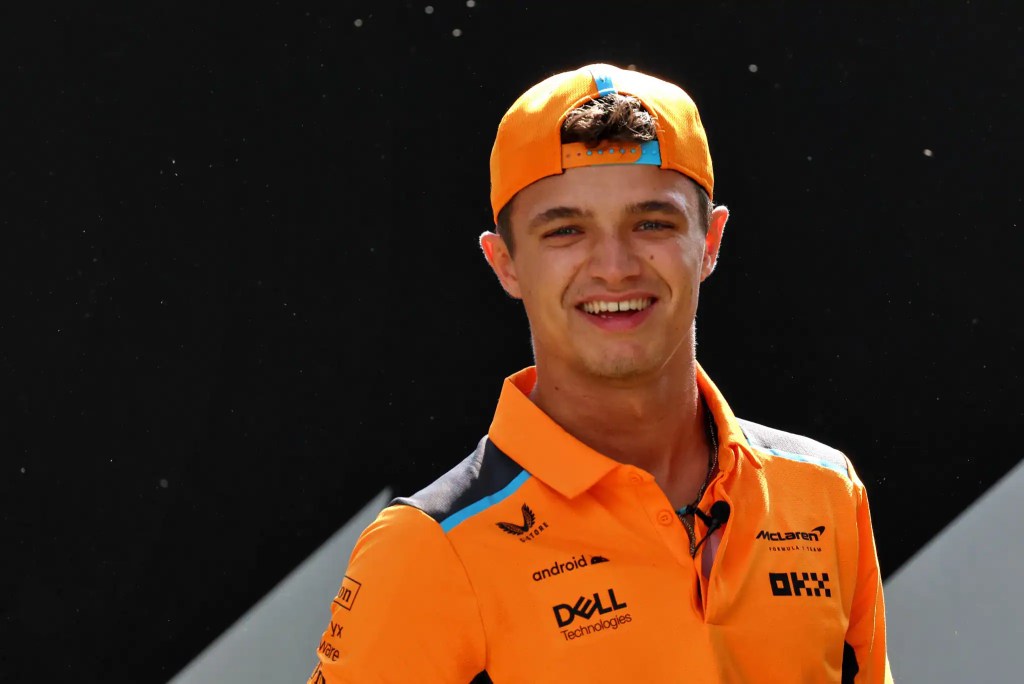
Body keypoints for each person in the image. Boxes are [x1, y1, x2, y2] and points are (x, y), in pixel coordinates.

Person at [307, 62, 893, 683]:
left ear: (711, 241)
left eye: (652, 223)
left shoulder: (825, 492)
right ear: (504, 263)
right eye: (566, 230)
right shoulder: (428, 549)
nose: (614, 268)